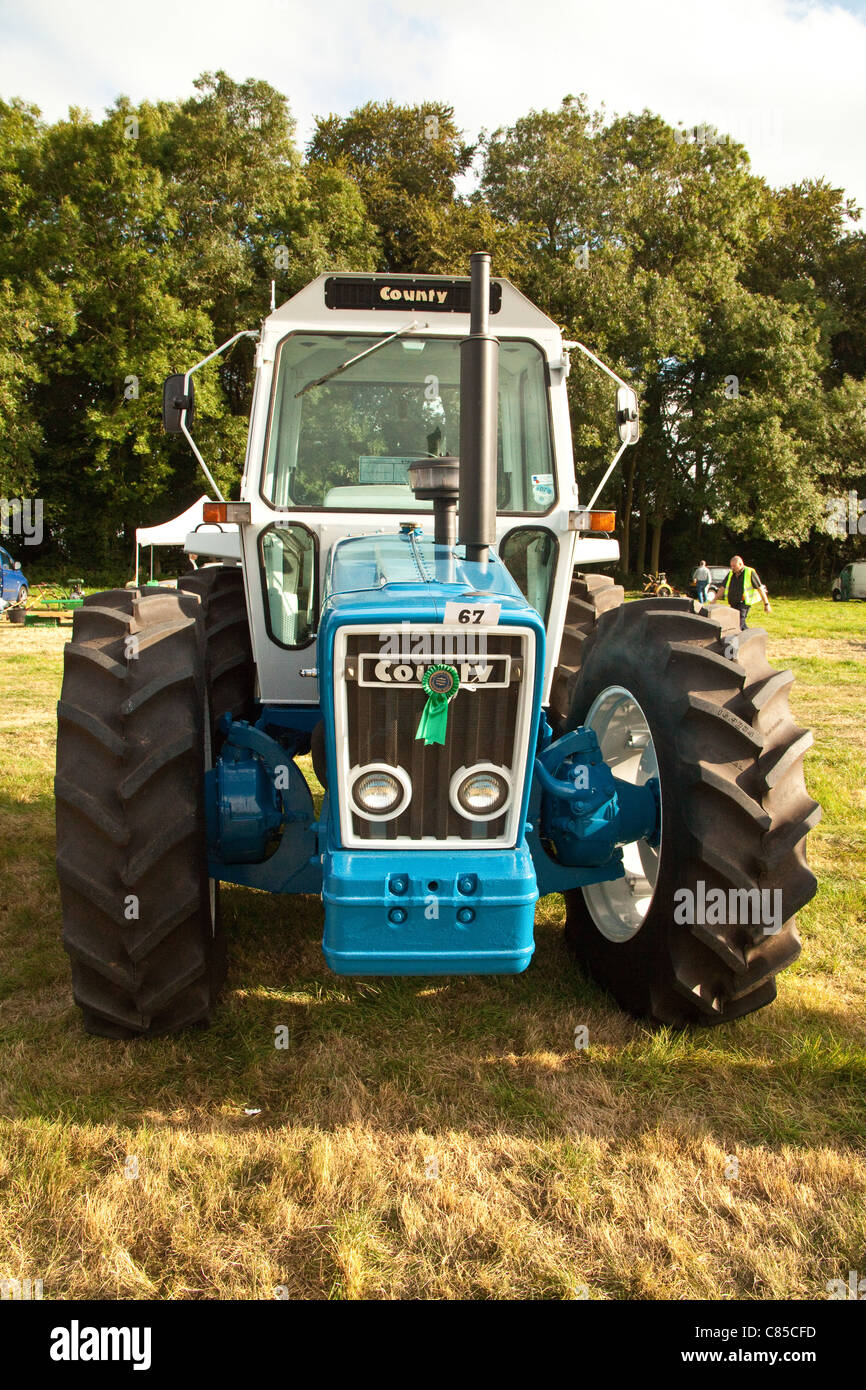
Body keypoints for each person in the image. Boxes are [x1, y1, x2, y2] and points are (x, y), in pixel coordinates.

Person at [718, 555, 772, 630]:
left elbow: (760, 588)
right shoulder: (731, 573)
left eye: (734, 566)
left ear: (740, 564)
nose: (732, 568)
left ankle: (735, 640)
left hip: (744, 603)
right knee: (740, 624)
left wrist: (766, 604)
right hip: (733, 602)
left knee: (738, 624)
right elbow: (723, 587)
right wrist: (714, 599)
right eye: (731, 566)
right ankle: (750, 636)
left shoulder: (750, 572)